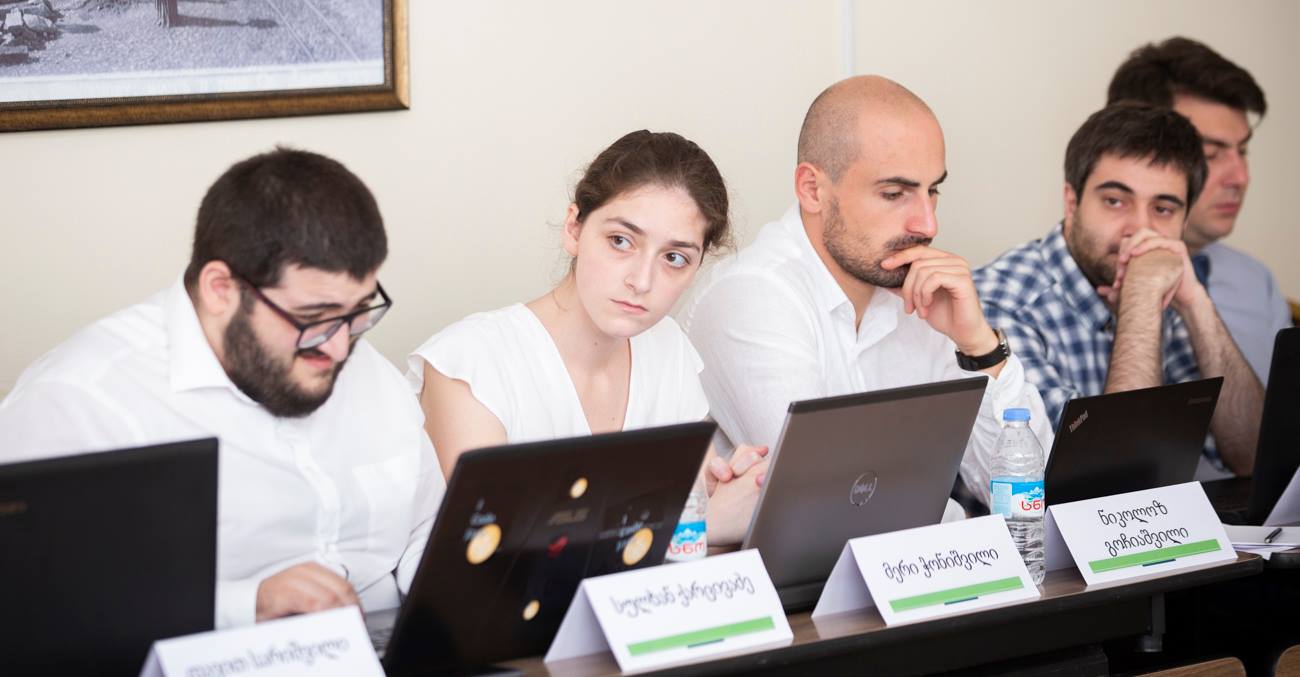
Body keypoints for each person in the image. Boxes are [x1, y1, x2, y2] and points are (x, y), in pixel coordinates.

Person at [0, 148, 444, 628]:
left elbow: (426, 528)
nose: (340, 349)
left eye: (358, 312)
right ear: (220, 289)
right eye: (313, 318)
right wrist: (243, 606)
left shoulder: (368, 370)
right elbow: (36, 604)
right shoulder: (80, 401)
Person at [680, 76, 1051, 510]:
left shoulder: (921, 292)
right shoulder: (751, 296)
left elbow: (1031, 497)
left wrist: (980, 348)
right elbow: (835, 500)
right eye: (894, 194)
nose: (927, 225)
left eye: (932, 190)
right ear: (813, 189)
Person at [409, 130, 766, 547]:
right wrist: (698, 525)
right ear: (574, 229)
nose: (642, 280)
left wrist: (729, 490)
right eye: (621, 241)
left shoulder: (668, 349)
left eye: (674, 258)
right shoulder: (469, 363)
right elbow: (500, 553)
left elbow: (700, 534)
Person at [974, 103, 1265, 478]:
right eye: (1115, 201)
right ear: (1072, 202)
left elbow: (1253, 457)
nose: (1139, 229)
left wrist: (1196, 305)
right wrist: (1140, 301)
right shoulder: (1001, 303)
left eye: (1163, 209)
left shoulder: (1165, 283)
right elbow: (1108, 487)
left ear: (1184, 221)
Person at [1108, 37, 1290, 384]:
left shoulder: (1256, 282)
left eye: (1243, 151)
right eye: (1210, 155)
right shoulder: (1054, 294)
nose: (1240, 177)